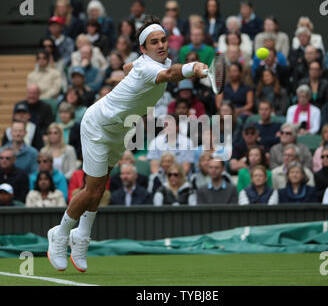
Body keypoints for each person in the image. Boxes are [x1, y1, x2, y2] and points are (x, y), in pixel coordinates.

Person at [46, 15, 208, 272]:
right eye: (153, 42)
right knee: (91, 190)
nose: (161, 45)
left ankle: (81, 236)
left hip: (121, 129)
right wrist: (193, 68)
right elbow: (169, 73)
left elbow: (127, 67)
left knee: (100, 188)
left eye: (163, 40)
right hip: (97, 126)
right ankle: (60, 233)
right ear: (144, 48)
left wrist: (129, 70)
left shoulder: (144, 63)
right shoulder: (150, 68)